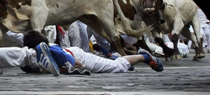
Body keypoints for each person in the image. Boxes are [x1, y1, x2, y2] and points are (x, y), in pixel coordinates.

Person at [23, 30, 164, 74]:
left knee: (117, 67)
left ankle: (143, 57)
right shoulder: (32, 54)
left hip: (79, 58)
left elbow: (77, 64)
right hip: (72, 52)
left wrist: (57, 70)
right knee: (110, 63)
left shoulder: (56, 53)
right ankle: (113, 58)